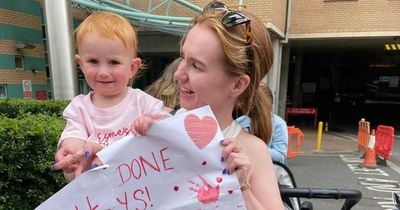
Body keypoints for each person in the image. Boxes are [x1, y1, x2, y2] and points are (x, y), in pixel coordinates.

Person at [134, 1, 284, 209]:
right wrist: (94, 165)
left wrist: (242, 187)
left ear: (238, 84)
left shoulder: (252, 151)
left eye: (196, 66)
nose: (178, 74)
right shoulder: (154, 124)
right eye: (183, 58)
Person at [52, 11, 170, 182]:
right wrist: (71, 151)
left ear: (132, 67)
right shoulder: (79, 108)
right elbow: (74, 135)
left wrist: (153, 127)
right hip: (98, 194)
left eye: (114, 62)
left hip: (138, 190)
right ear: (81, 64)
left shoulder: (144, 103)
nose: (103, 72)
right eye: (93, 61)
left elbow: (172, 134)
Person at [236, 85, 289, 165]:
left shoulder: (278, 124)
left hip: (268, 171)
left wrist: (251, 147)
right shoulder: (240, 122)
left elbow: (280, 157)